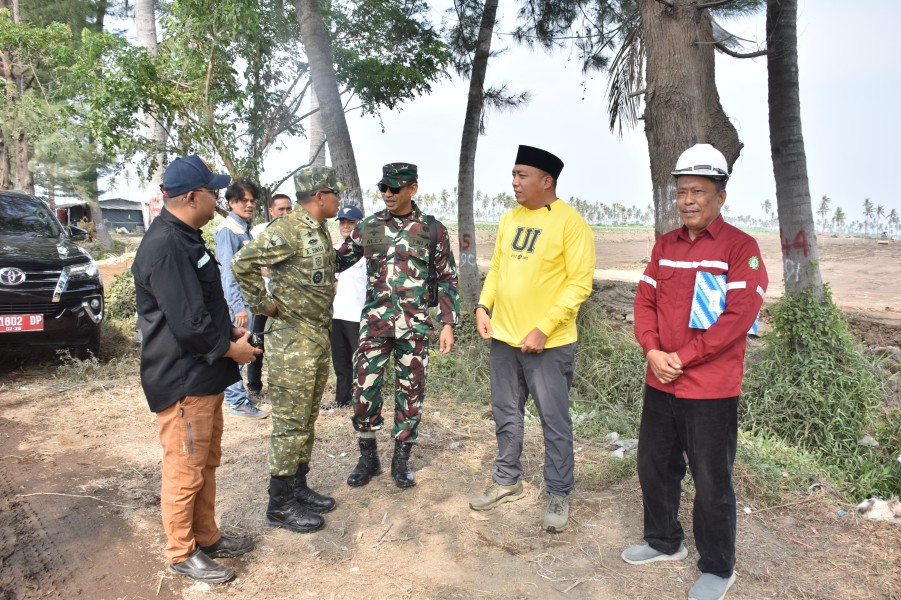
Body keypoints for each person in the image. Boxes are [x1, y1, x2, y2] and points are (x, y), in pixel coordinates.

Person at [622, 144, 767, 600]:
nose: (687, 200)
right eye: (682, 191)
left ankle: (719, 568)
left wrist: (683, 357)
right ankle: (664, 542)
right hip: (659, 379)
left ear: (720, 196)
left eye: (699, 191)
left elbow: (737, 319)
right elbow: (644, 303)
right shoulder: (665, 246)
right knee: (654, 464)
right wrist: (652, 351)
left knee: (711, 478)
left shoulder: (740, 249)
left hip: (709, 388)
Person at [131, 155, 260, 584]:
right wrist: (231, 350)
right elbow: (188, 325)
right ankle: (182, 551)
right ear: (190, 197)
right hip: (183, 380)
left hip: (203, 376)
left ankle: (206, 536)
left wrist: (233, 337)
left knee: (204, 463)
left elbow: (203, 307)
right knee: (185, 469)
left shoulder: (186, 237)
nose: (217, 197)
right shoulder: (166, 246)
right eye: (211, 191)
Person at [469, 145, 595, 534]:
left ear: (546, 181)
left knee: (553, 419)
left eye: (522, 175)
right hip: (504, 340)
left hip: (548, 343)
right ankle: (507, 480)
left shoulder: (571, 223)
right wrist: (482, 306)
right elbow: (499, 269)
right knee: (506, 413)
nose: (515, 181)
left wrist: (544, 327)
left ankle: (558, 491)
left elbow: (579, 285)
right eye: (513, 174)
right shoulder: (510, 219)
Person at [232, 166, 342, 534]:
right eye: (335, 193)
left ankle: (297, 487)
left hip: (315, 337)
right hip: (292, 340)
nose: (338, 200)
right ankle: (278, 505)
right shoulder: (286, 230)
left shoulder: (319, 231)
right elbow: (242, 263)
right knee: (290, 425)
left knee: (306, 419)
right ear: (321, 196)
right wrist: (264, 305)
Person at [337, 163, 459, 489]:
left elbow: (447, 277)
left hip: (415, 326)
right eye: (383, 188)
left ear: (412, 189)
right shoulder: (369, 227)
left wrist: (447, 323)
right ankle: (368, 456)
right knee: (363, 390)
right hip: (375, 323)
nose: (388, 194)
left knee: (411, 394)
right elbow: (338, 259)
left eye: (395, 188)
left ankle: (401, 458)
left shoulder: (432, 230)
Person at [215, 179, 269, 419]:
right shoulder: (229, 229)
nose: (249, 205)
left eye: (251, 200)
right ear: (231, 202)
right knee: (237, 350)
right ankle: (236, 401)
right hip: (238, 303)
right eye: (243, 200)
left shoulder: (244, 228)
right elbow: (228, 271)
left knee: (242, 349)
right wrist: (238, 306)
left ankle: (232, 397)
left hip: (248, 300)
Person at [246, 193, 294, 400]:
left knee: (288, 342)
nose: (285, 213)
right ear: (271, 211)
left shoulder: (296, 232)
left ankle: (285, 385)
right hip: (264, 297)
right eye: (280, 209)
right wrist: (266, 271)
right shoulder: (258, 231)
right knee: (257, 340)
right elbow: (245, 261)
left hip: (288, 297)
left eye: (288, 209)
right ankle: (254, 386)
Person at [329, 205, 366, 408]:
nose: (345, 226)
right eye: (342, 222)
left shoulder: (366, 252)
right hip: (337, 314)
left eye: (350, 222)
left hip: (358, 315)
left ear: (359, 224)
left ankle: (361, 400)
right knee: (340, 361)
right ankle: (342, 400)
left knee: (361, 361)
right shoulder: (335, 250)